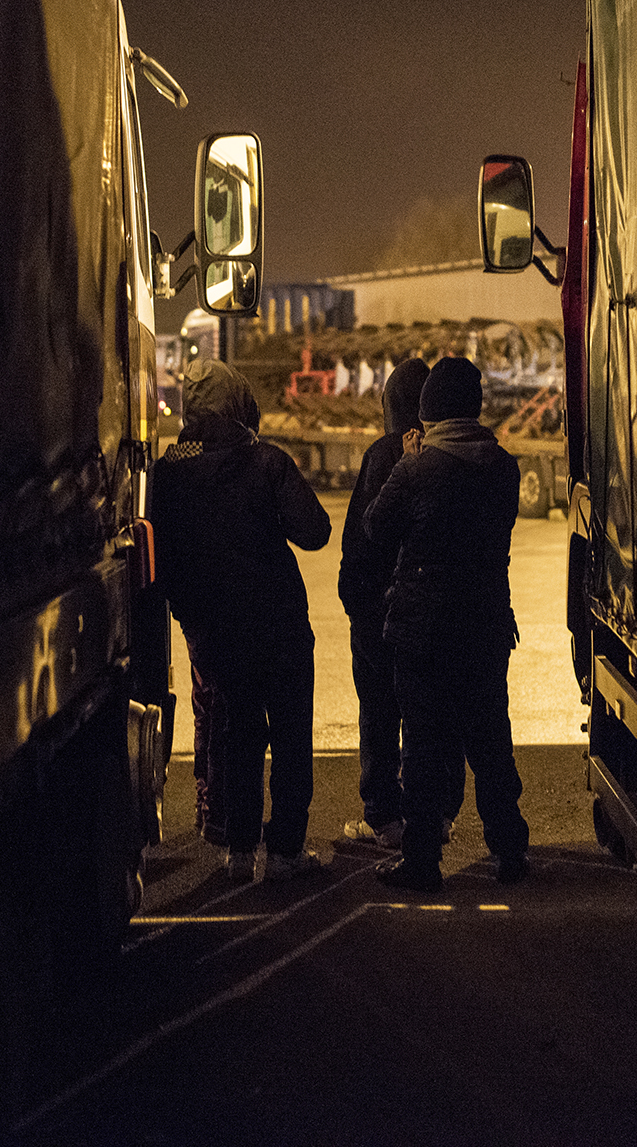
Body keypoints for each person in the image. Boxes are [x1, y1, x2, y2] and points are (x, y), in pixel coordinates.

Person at [148, 360, 331, 882]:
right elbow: (315, 531)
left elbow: (162, 560)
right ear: (240, 407)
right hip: (281, 626)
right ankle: (286, 853)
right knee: (291, 737)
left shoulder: (168, 473)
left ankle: (239, 850)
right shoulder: (266, 461)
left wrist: (192, 614)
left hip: (219, 633)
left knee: (239, 734)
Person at [364, 356, 530, 892]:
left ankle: (422, 862)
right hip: (484, 625)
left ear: (430, 409)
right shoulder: (504, 467)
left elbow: (375, 527)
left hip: (423, 631)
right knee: (490, 741)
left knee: (424, 749)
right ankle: (509, 849)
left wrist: (405, 461)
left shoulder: (417, 467)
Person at [338, 357, 458, 851]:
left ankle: (384, 815)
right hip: (433, 608)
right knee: (432, 713)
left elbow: (363, 536)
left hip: (380, 610)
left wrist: (355, 599)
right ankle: (439, 814)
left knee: (380, 712)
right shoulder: (451, 454)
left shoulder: (385, 454)